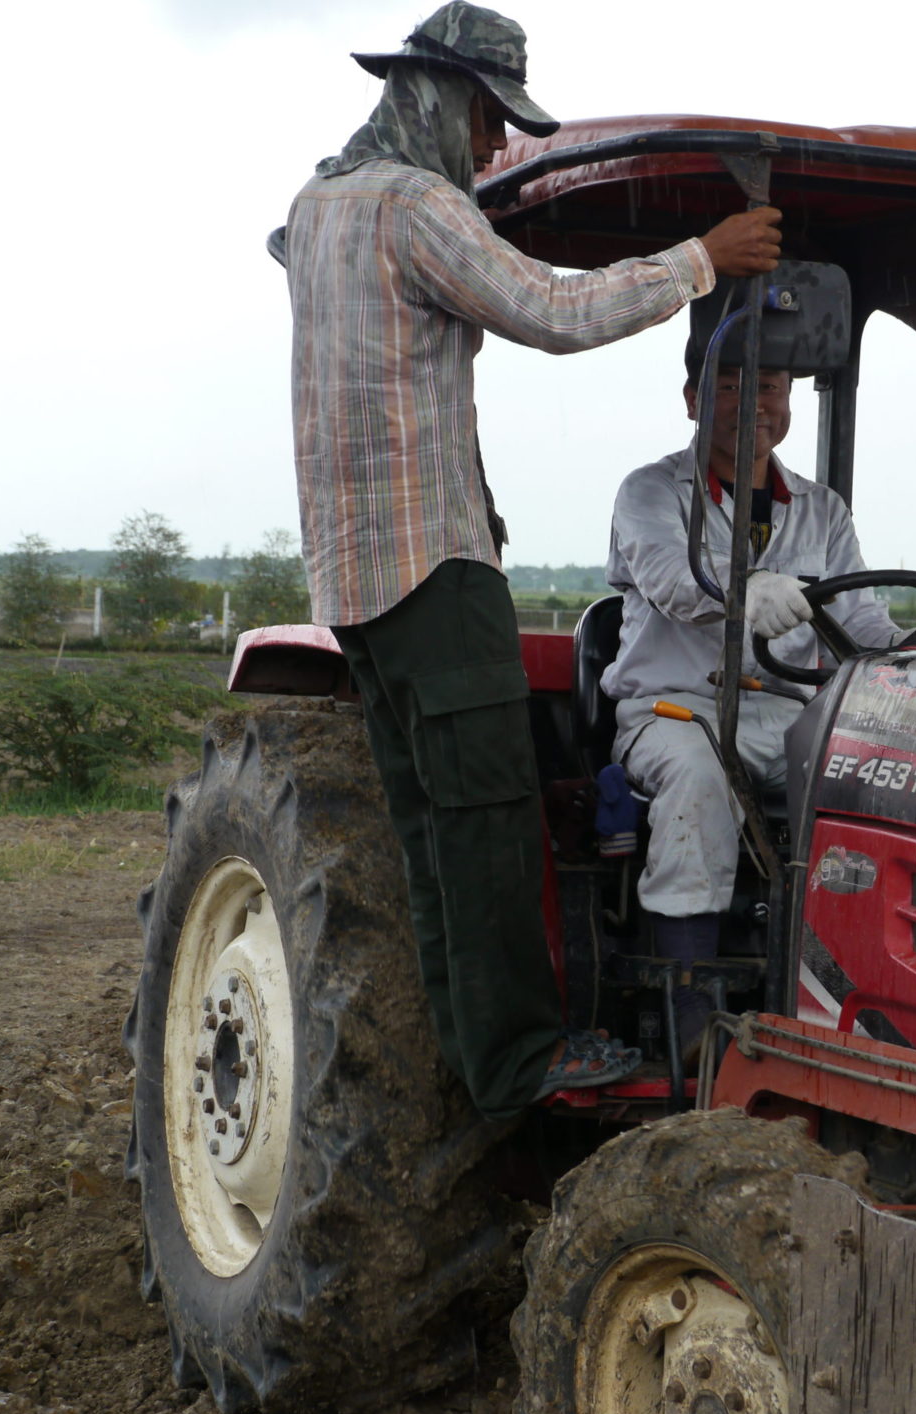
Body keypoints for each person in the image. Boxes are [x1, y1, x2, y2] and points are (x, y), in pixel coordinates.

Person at [286, 1, 781, 1119]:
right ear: (435, 98)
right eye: (486, 121)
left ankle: (470, 1055)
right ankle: (523, 1059)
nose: (495, 149)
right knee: (493, 814)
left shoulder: (315, 208)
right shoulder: (415, 208)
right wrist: (702, 260)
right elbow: (553, 313)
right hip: (433, 560)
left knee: (429, 831)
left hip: (353, 571)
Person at [601, 330, 905, 1047]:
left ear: (789, 401)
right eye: (731, 386)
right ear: (692, 400)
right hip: (677, 710)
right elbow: (674, 584)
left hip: (787, 713)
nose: (752, 404)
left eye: (767, 388)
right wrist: (745, 592)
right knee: (702, 780)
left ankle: (854, 1003)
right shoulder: (650, 492)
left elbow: (859, 618)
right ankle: (690, 1016)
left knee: (877, 784)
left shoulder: (822, 510)